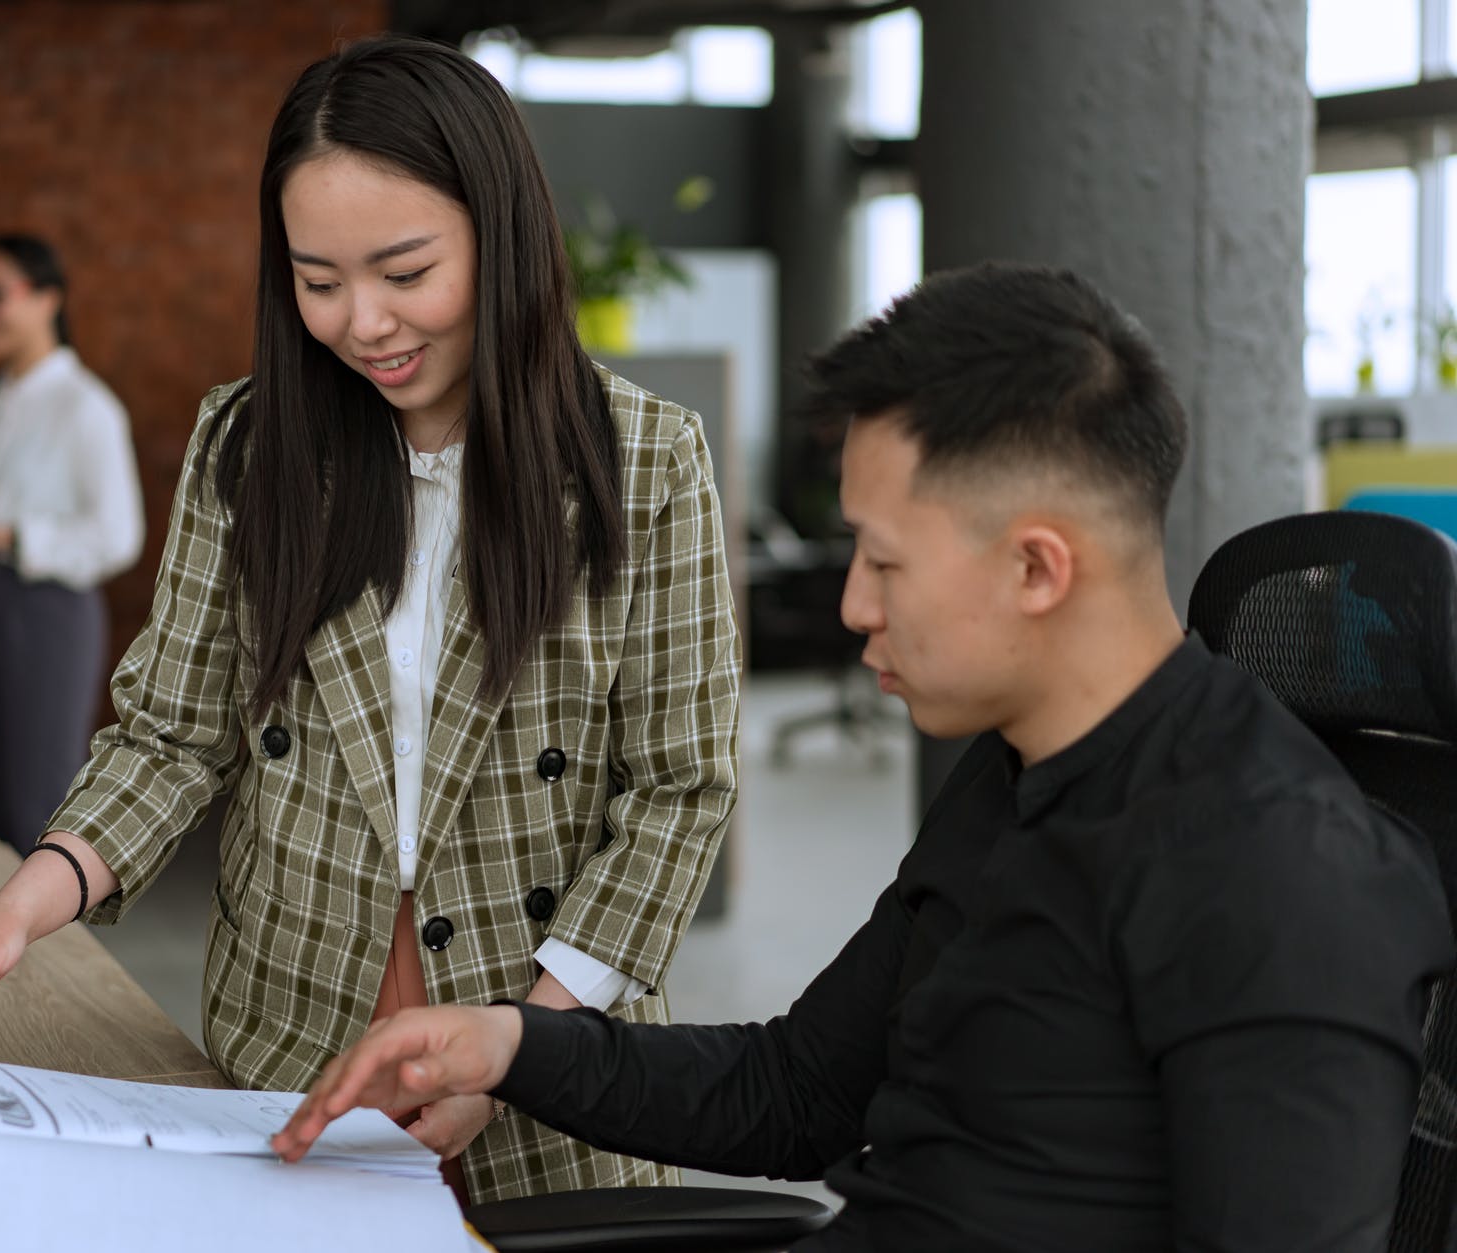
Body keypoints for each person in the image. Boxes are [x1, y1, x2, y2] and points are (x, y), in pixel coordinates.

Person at [274, 262, 1457, 1251]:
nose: (848, 605)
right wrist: (508, 1039)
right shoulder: (1014, 775)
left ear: (1036, 568)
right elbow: (791, 1091)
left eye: (882, 562)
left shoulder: (1287, 879)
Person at [0, 35, 740, 1206]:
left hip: (552, 1070)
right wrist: (23, 905)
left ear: (500, 236)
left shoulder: (645, 459)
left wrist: (519, 1046)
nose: (362, 323)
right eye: (317, 280)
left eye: (403, 270)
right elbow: (171, 734)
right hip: (282, 1058)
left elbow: (676, 792)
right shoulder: (248, 445)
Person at [0, 233, 145, 854]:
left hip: (45, 613)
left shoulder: (87, 407)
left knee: (38, 809)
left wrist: (3, 535)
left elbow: (118, 536)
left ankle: (49, 950)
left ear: (48, 297)